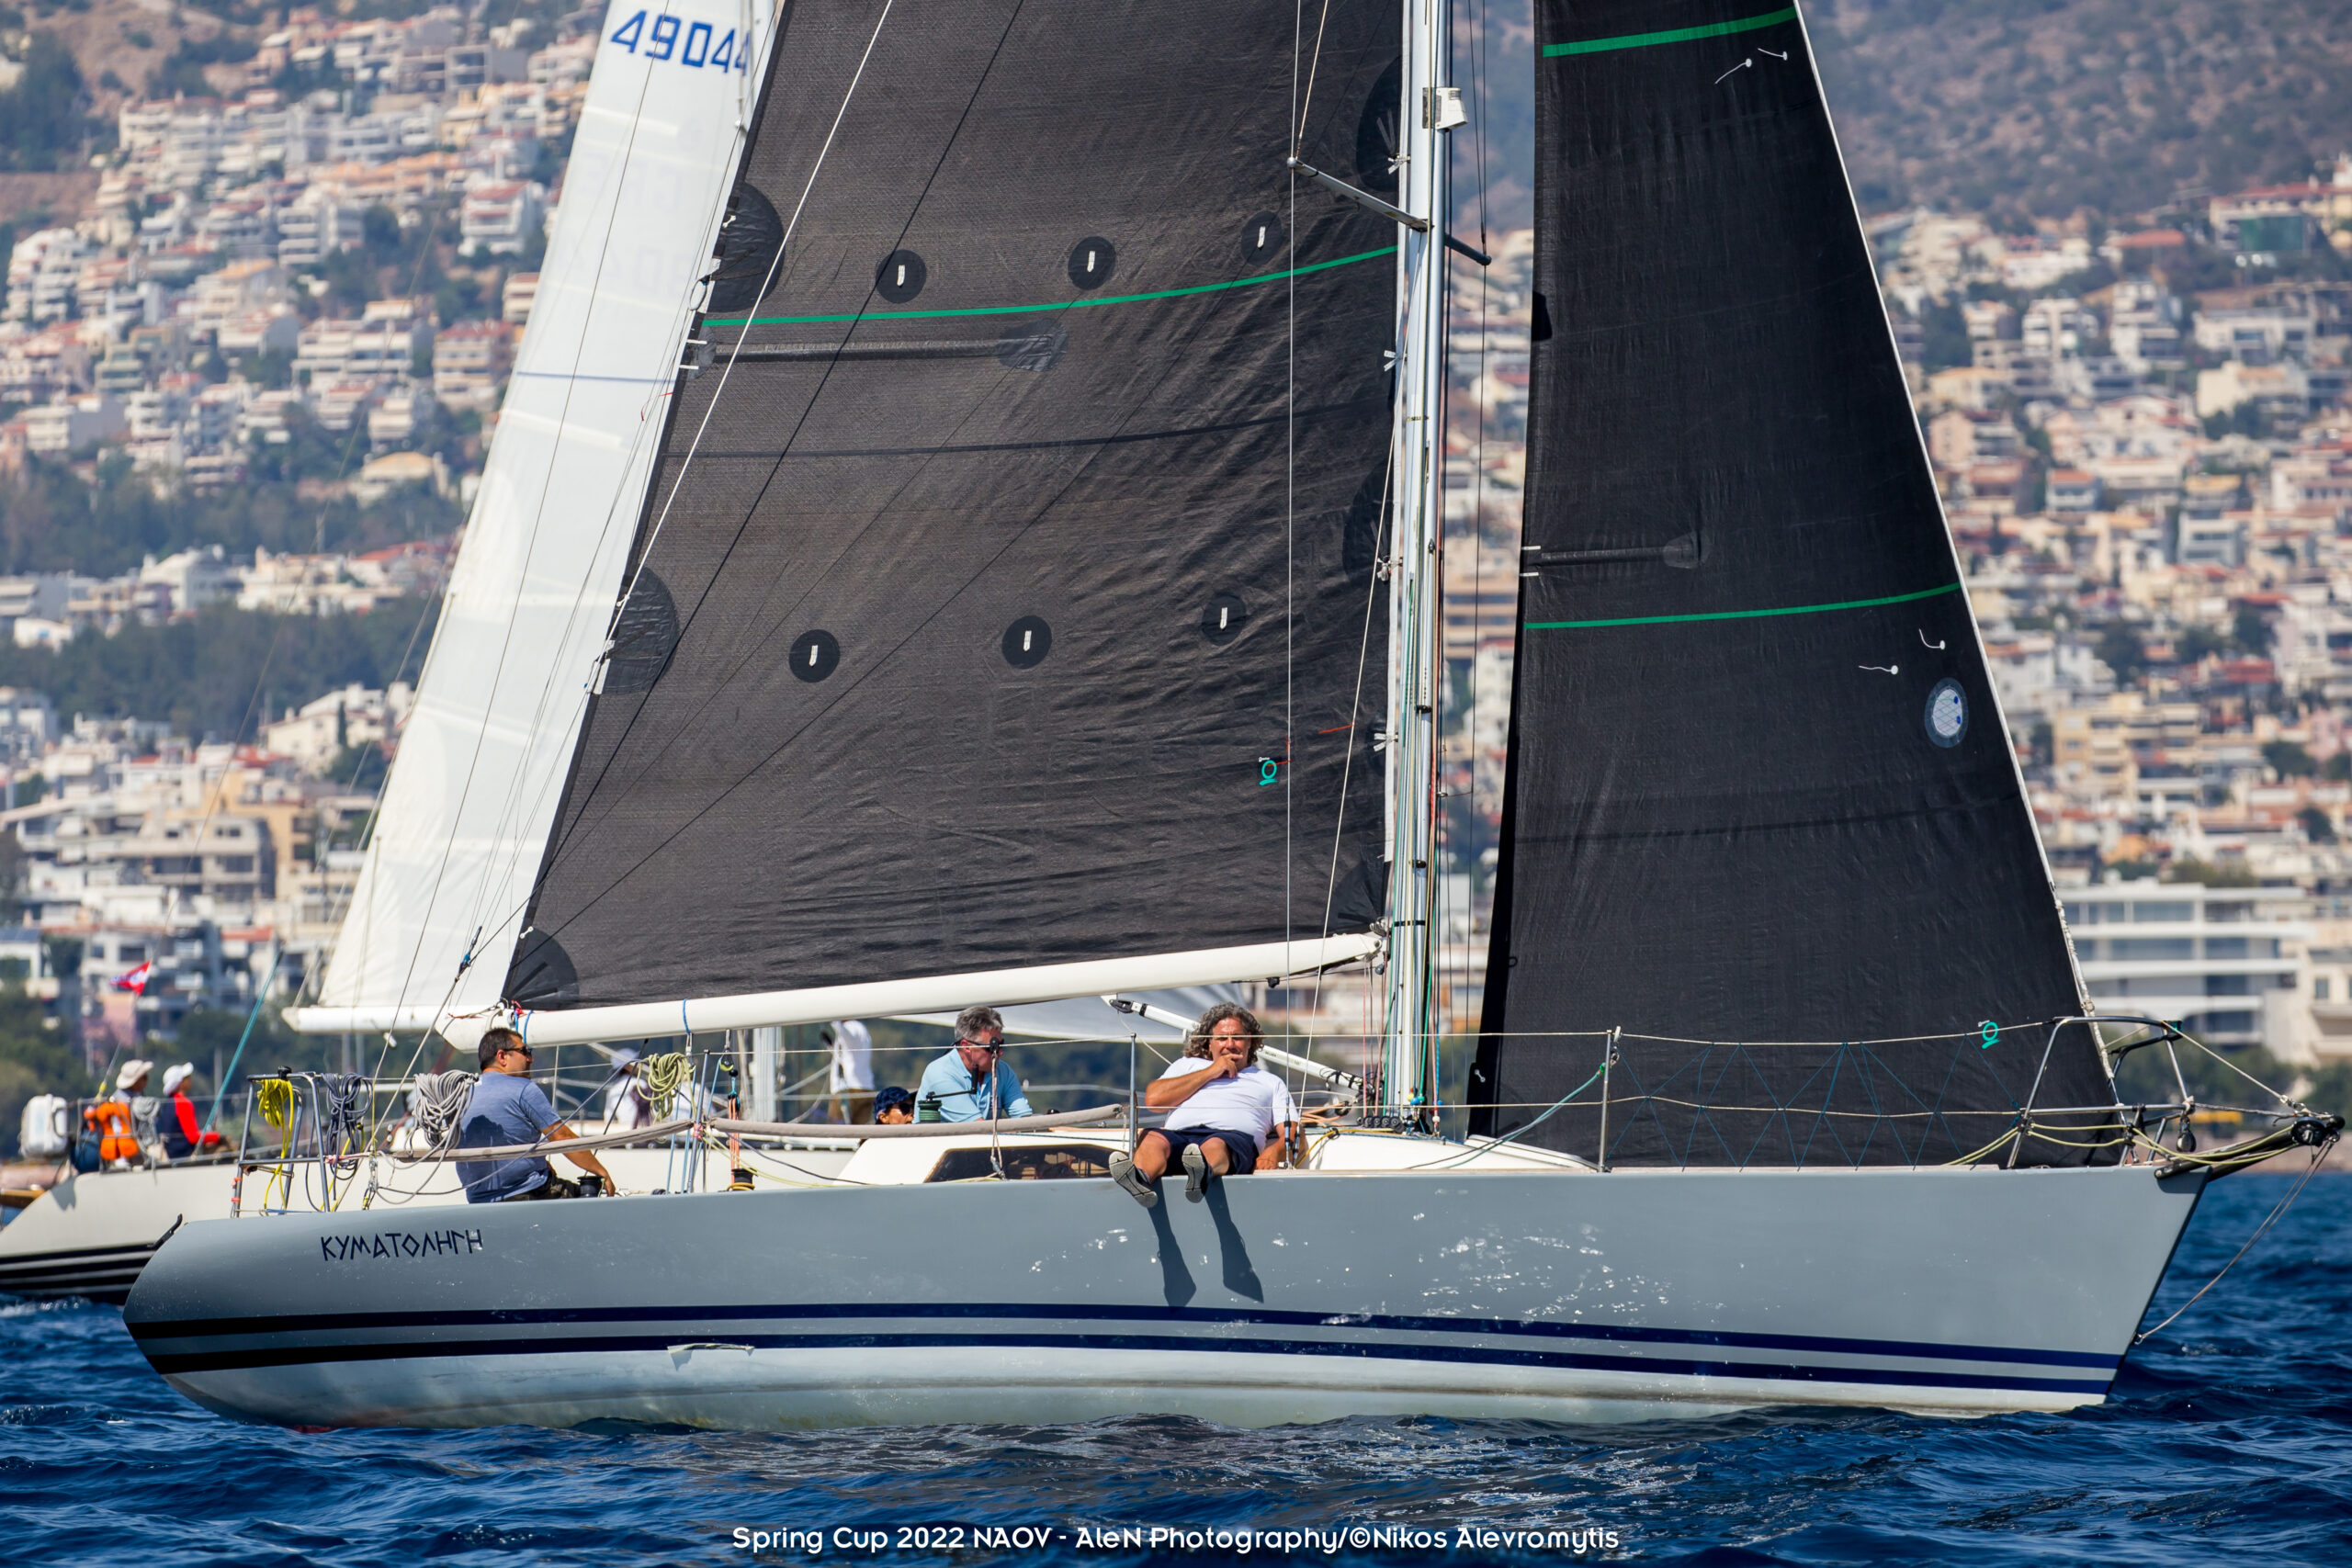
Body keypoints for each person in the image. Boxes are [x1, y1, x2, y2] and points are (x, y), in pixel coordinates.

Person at [1110, 1002, 1296, 1208]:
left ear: (1250, 1042)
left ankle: (1201, 1173)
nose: (1230, 1044)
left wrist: (1273, 1152)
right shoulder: (1187, 1065)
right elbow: (1154, 1101)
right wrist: (1212, 1071)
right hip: (1180, 1136)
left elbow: (1294, 1134)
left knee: (1215, 1143)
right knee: (1153, 1138)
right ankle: (1140, 1179)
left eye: (1238, 1037)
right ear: (1209, 1044)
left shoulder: (1270, 1081)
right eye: (1222, 1038)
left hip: (1231, 1139)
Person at [456, 1028, 619, 1202]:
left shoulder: (461, 1095)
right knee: (594, 1200)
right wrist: (602, 1172)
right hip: (529, 1192)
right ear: (502, 1056)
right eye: (524, 1052)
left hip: (477, 1199)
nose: (530, 1059)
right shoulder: (523, 1089)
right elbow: (561, 1136)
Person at [914, 1006, 1032, 1122]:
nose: (999, 1052)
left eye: (1001, 1045)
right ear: (966, 1046)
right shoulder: (940, 1074)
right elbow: (978, 1128)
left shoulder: (1003, 1071)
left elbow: (1025, 1120)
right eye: (992, 1047)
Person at [157, 1062, 225, 1160]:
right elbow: (193, 1137)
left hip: (172, 1153)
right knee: (230, 1149)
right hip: (185, 1153)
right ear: (180, 1083)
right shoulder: (183, 1103)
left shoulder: (168, 1103)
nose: (190, 1079)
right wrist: (218, 1136)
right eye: (187, 1077)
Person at [827, 1020, 875, 1125]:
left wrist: (834, 1021)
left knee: (835, 1132)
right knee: (860, 1134)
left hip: (848, 1090)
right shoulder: (862, 1029)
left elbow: (848, 1037)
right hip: (866, 1088)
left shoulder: (851, 1027)